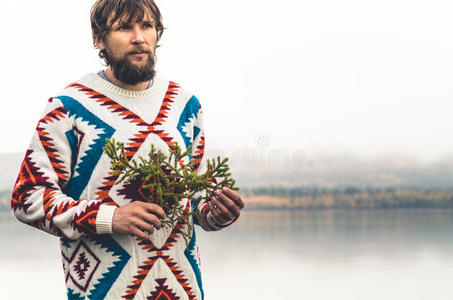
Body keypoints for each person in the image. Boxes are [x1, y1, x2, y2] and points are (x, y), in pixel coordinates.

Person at [10, 0, 244, 299]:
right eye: (124, 27)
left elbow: (195, 200)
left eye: (146, 26)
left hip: (183, 291)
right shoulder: (68, 109)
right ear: (99, 39)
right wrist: (108, 217)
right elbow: (27, 197)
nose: (138, 37)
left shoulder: (185, 105)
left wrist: (216, 212)